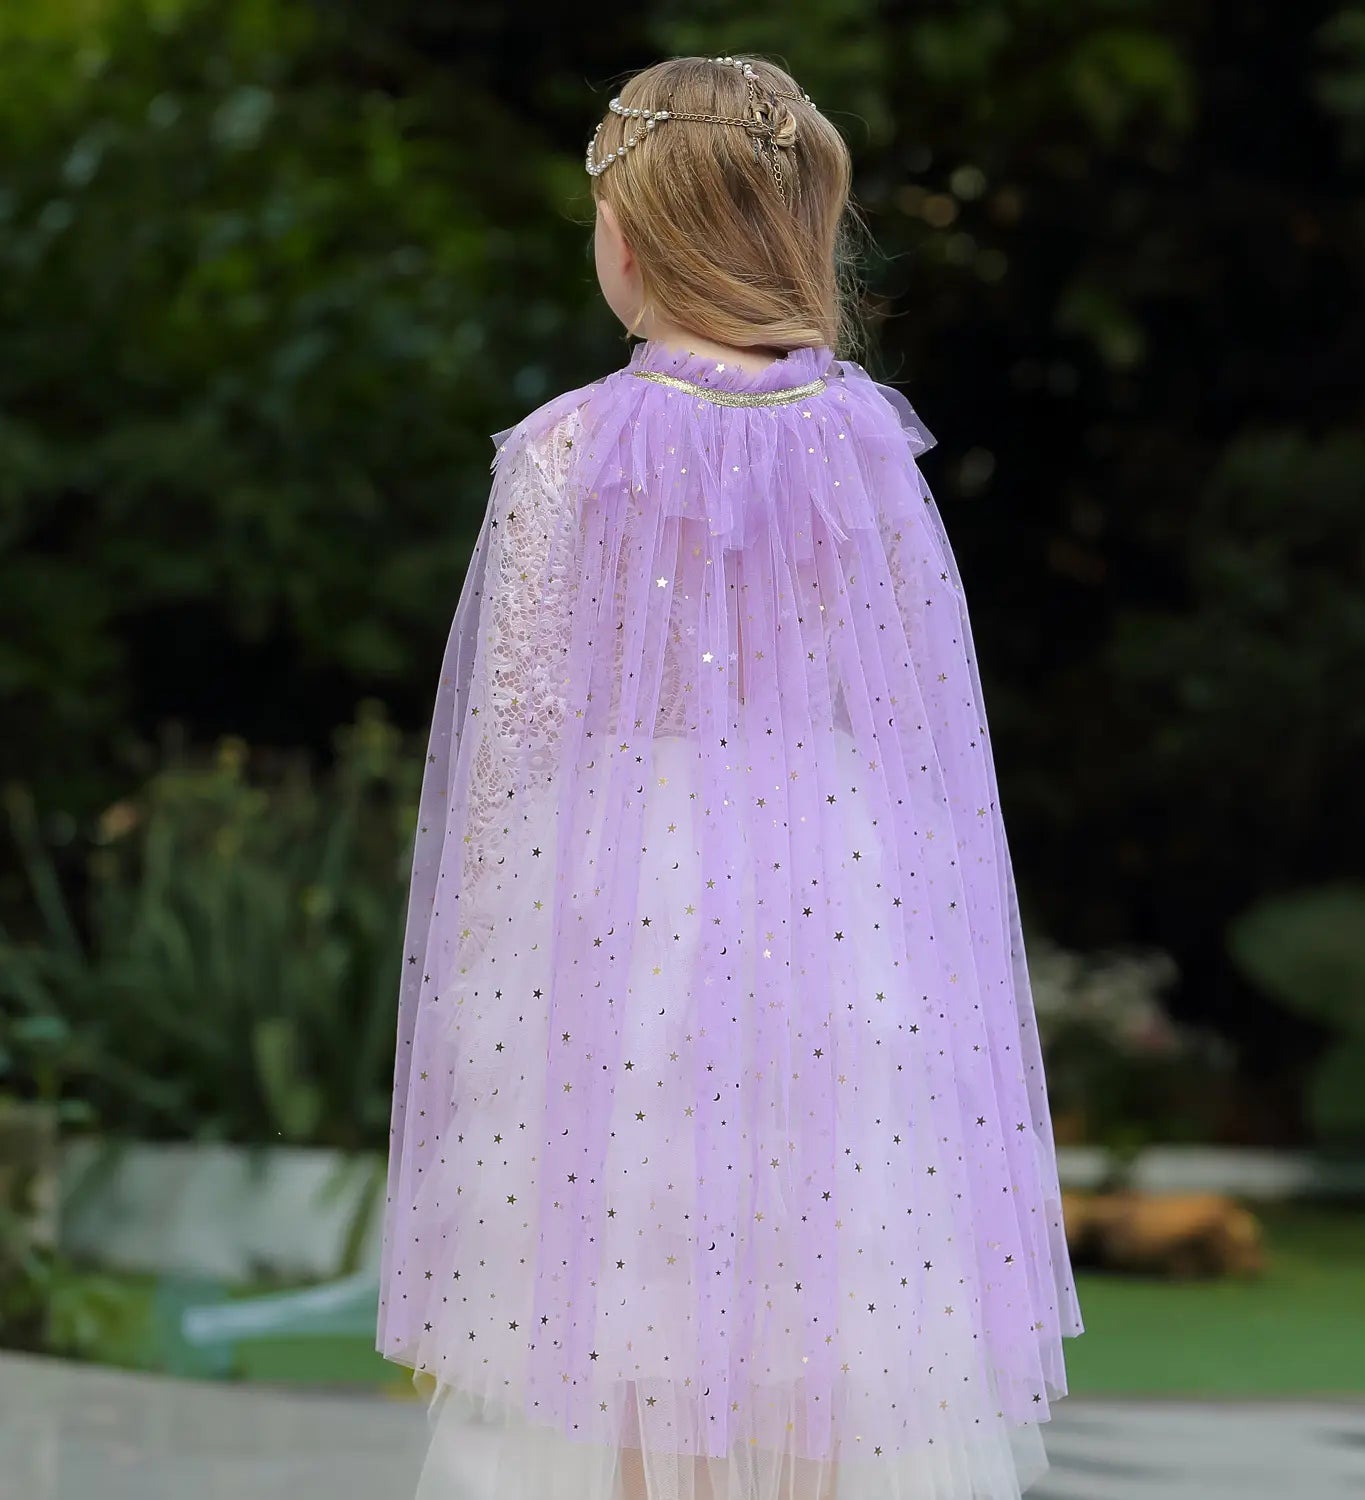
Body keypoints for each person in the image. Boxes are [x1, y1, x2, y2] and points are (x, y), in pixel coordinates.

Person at [376, 52, 1083, 1500]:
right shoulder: (871, 446)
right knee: (834, 1281)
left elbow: (512, 746)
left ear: (627, 239)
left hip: (623, 903)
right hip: (850, 901)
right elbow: (916, 726)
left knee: (619, 1274)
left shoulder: (569, 449)